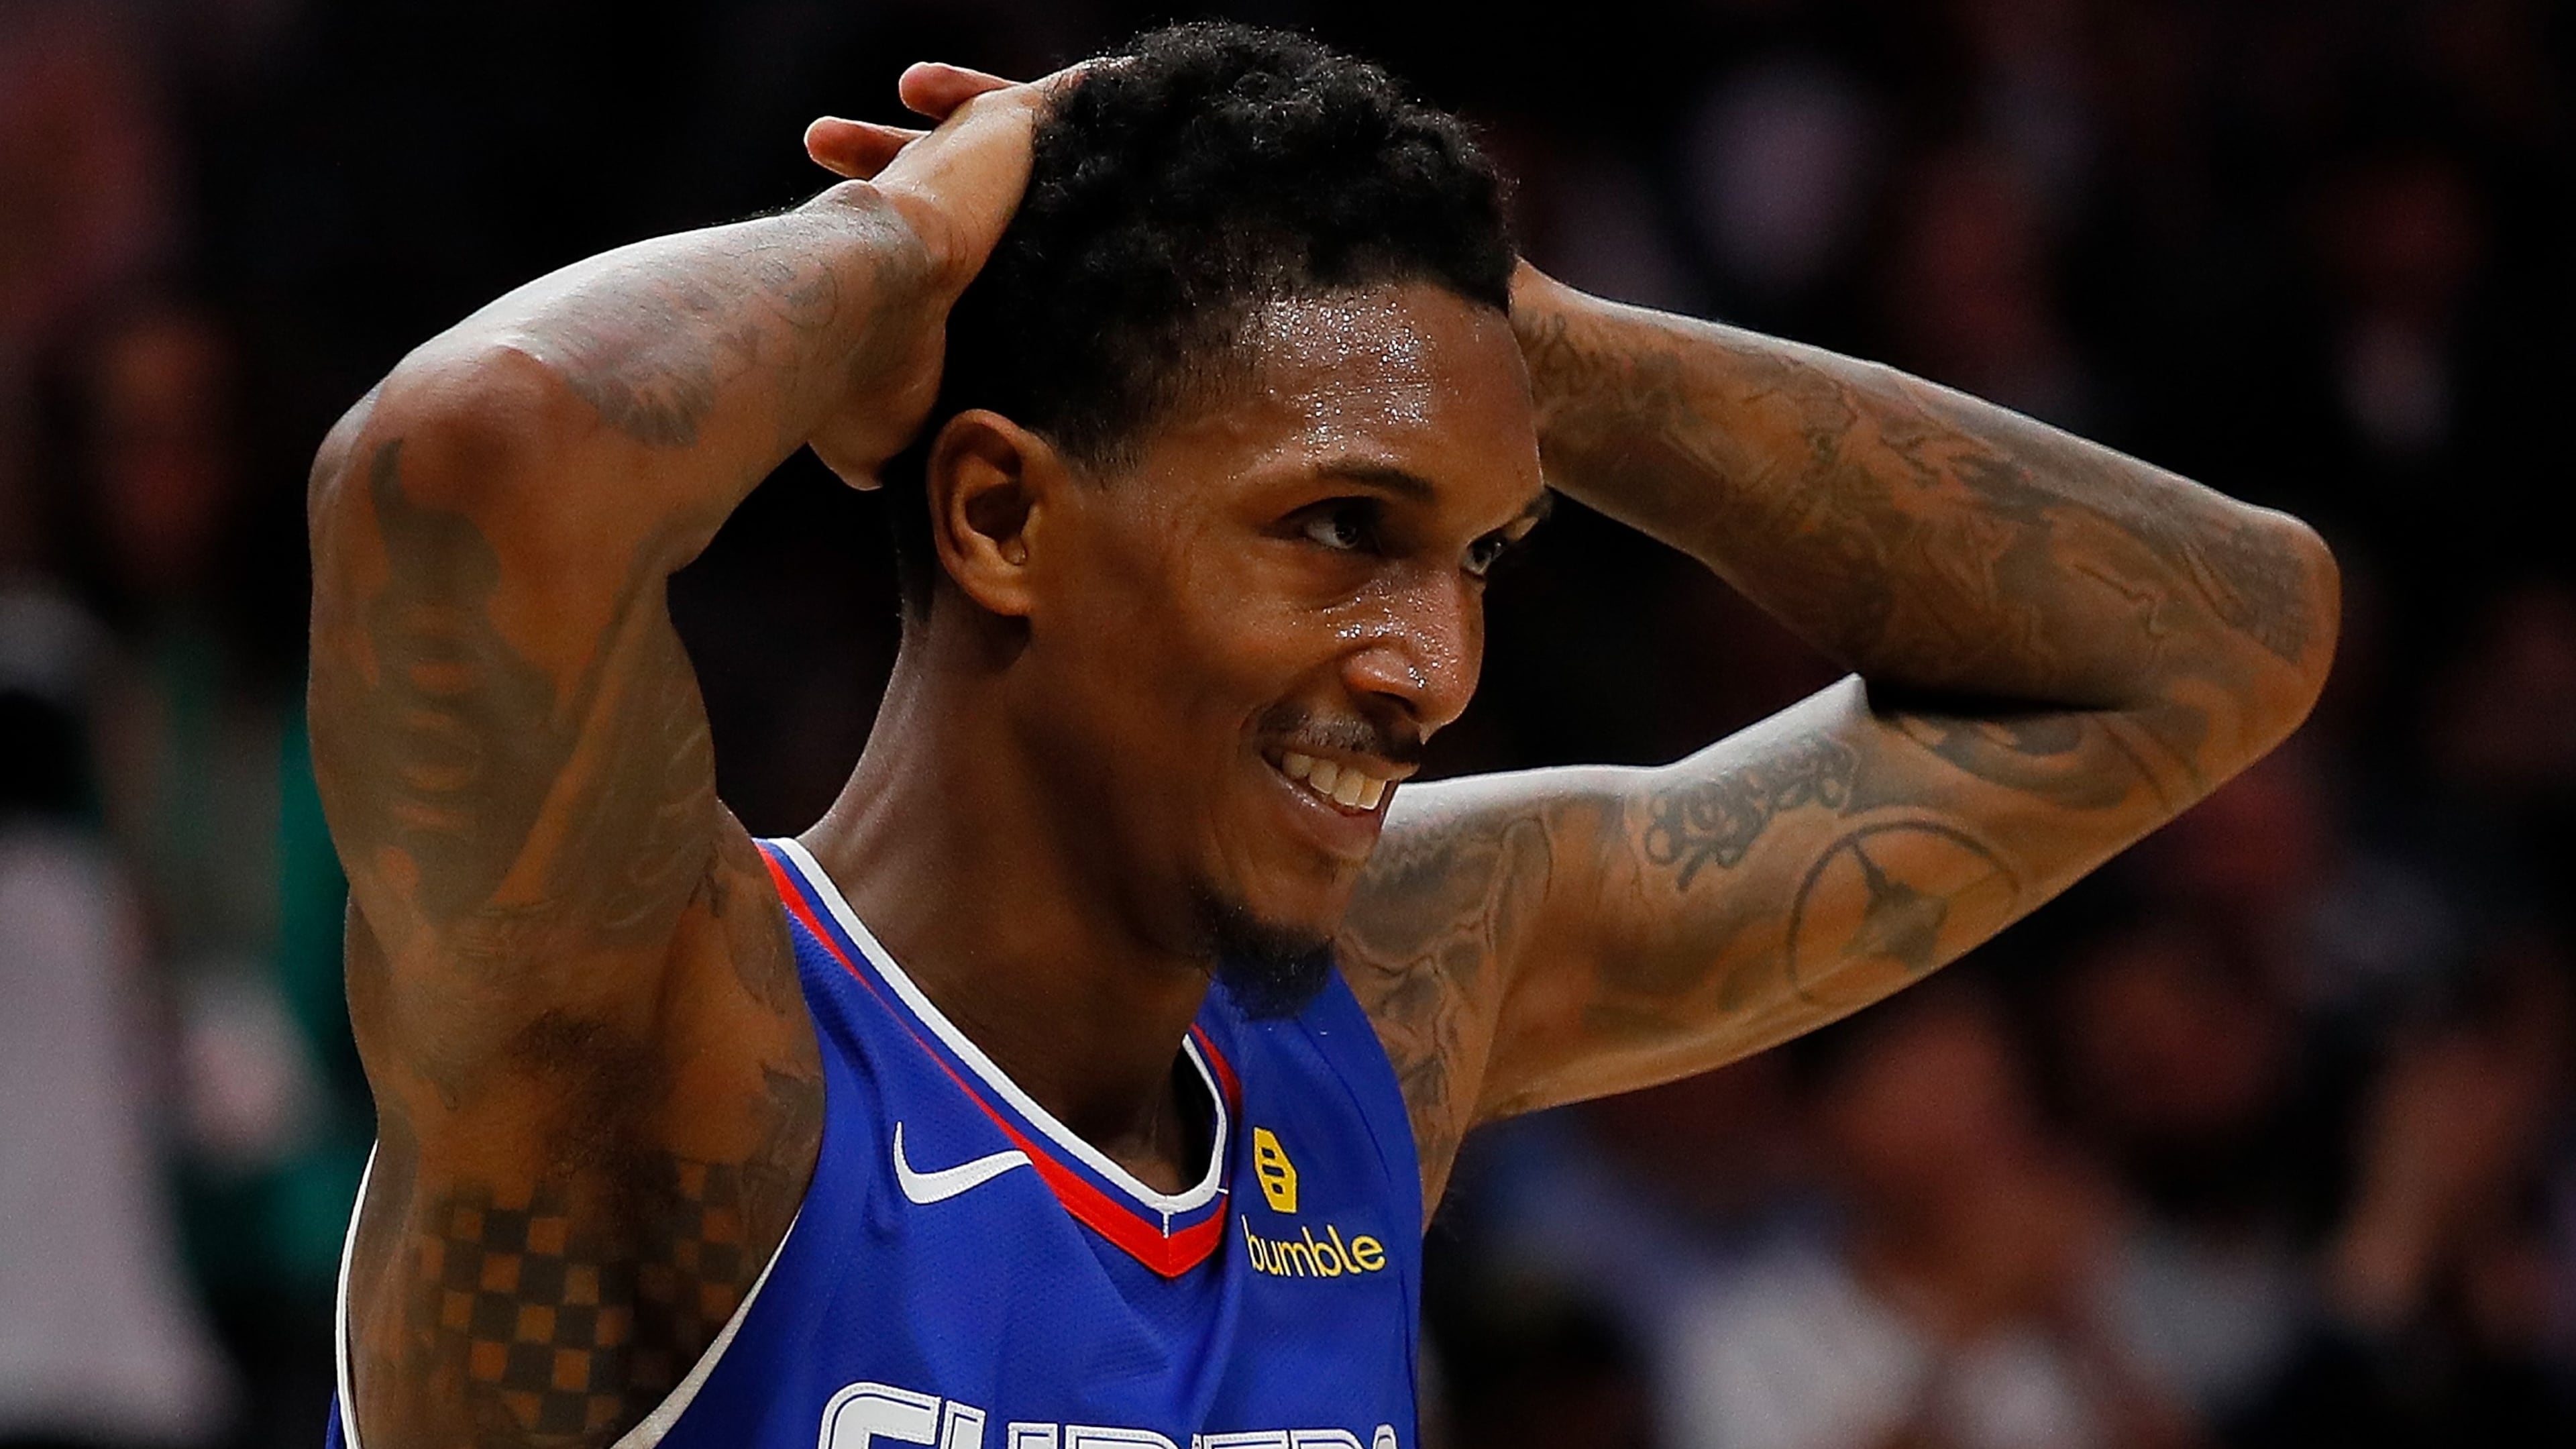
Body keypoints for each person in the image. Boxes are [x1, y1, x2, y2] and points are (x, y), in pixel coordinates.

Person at [303, 23, 2337, 1449]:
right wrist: (906, 249)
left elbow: (2216, 643)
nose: (1433, 664)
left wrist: (1503, 333)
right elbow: (465, 468)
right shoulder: (663, 1051)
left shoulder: (1376, 1016)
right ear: (1002, 513)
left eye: (1480, 556)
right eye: (1344, 531)